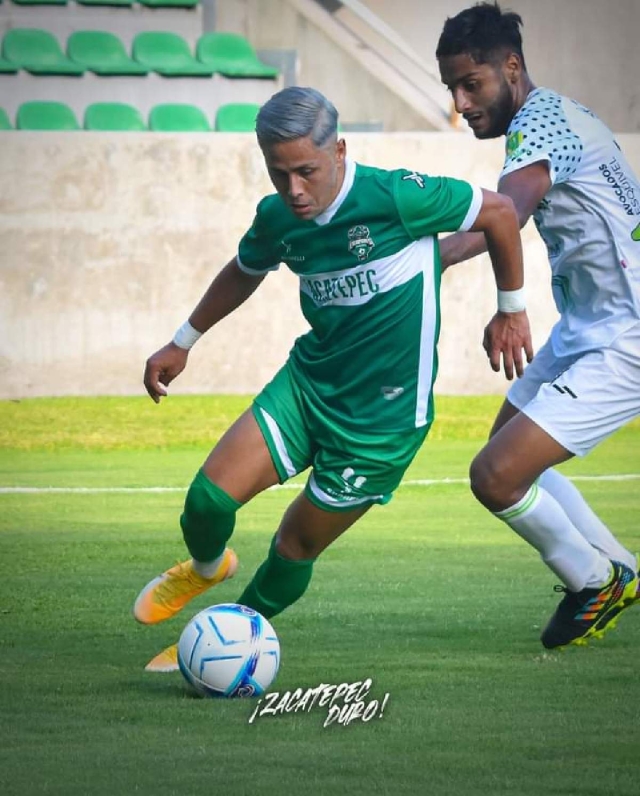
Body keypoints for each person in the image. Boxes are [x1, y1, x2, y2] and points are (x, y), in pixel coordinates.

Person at [134, 85, 529, 672]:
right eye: (278, 174)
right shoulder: (277, 219)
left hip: (381, 425)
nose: (293, 190)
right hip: (307, 388)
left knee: (292, 547)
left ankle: (231, 638)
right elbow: (245, 270)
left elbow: (498, 211)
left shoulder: (396, 197)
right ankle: (207, 566)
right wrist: (182, 340)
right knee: (205, 502)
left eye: (306, 172)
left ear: (339, 150)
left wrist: (511, 307)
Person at [436, 2, 640, 650]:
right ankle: (618, 570)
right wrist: (423, 257)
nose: (462, 103)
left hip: (628, 335)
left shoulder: (541, 120)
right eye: (452, 89)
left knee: (494, 475)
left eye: (472, 84)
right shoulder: (555, 116)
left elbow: (506, 213)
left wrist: (506, 302)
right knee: (507, 453)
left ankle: (592, 580)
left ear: (511, 68)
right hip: (590, 325)